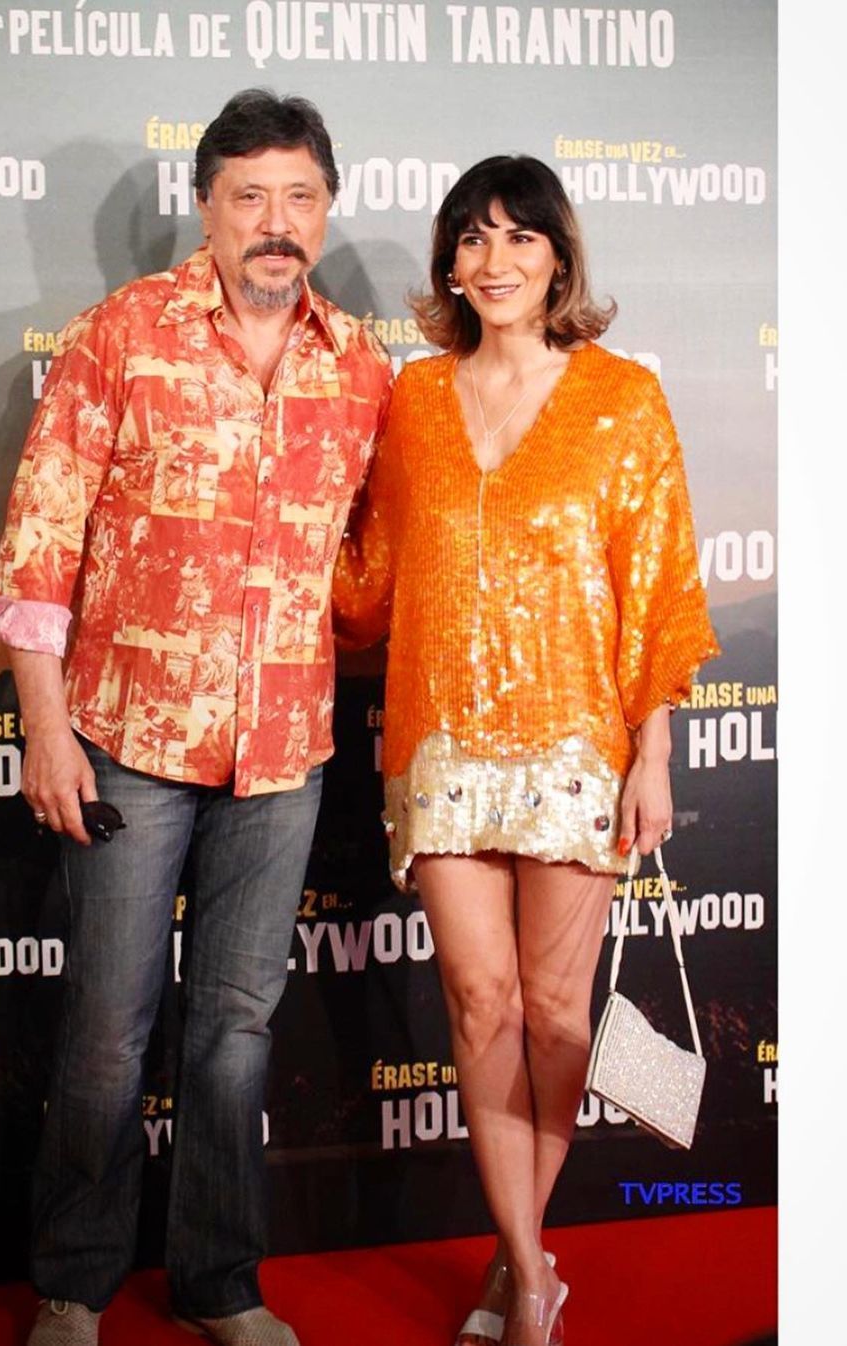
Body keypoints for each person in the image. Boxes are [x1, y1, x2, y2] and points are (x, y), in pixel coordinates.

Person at [0, 89, 391, 1346]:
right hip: (127, 740)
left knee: (235, 1031)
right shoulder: (122, 333)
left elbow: (374, 562)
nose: (277, 222)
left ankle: (222, 1281)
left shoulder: (361, 366)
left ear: (327, 208)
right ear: (206, 207)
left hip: (283, 752)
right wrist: (45, 726)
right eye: (250, 196)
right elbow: (41, 538)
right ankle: (75, 1281)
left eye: (300, 197)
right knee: (110, 1028)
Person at [333, 154, 718, 1346]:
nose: (495, 260)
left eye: (520, 236)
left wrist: (653, 754)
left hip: (574, 749)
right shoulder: (411, 401)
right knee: (479, 999)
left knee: (556, 1017)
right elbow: (368, 581)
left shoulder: (622, 400)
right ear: (449, 263)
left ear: (559, 258)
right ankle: (534, 1286)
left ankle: (518, 1253)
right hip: (441, 748)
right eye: (473, 237)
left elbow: (656, 592)